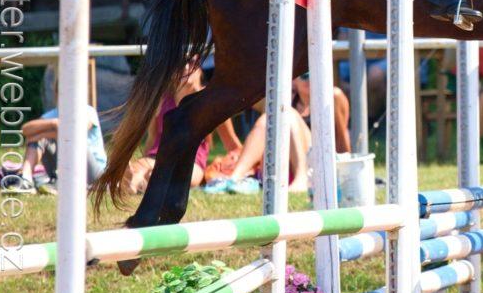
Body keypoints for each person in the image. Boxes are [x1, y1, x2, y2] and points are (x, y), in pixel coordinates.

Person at [204, 74, 351, 194]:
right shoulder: (286, 98)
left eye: (315, 71)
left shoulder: (333, 97)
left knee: (285, 112)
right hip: (281, 168)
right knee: (270, 116)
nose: (310, 79)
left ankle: (301, 179)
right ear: (294, 80)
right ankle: (235, 178)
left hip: (316, 165)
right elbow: (238, 96)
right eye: (304, 75)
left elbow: (343, 146)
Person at [123, 63, 241, 195]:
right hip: (157, 157)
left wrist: (242, 168)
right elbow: (153, 137)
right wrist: (144, 160)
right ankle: (135, 182)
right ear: (173, 73)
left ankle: (140, 182)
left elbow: (233, 145)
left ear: (199, 69)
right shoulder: (161, 100)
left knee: (156, 174)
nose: (185, 67)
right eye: (180, 63)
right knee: (140, 169)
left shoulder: (211, 101)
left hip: (191, 162)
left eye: (191, 62)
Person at [8, 103, 108, 195]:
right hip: (66, 171)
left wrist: (42, 134)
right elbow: (25, 129)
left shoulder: (87, 111)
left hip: (94, 174)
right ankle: (26, 179)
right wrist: (53, 123)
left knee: (76, 141)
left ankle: (65, 184)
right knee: (40, 138)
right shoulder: (55, 113)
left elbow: (75, 133)